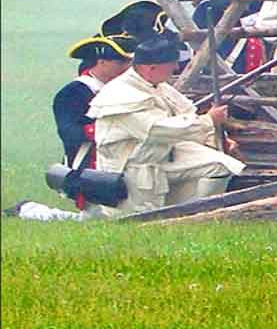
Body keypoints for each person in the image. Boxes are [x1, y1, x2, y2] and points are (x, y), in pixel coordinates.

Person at [87, 36, 244, 217]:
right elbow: (158, 129)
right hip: (132, 169)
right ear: (151, 68)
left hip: (163, 157)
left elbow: (187, 114)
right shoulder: (120, 93)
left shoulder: (158, 86)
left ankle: (195, 216)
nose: (176, 69)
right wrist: (208, 121)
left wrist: (221, 138)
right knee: (138, 221)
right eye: (171, 65)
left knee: (220, 166)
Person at [51, 33, 138, 216]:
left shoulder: (129, 88)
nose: (127, 68)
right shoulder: (73, 93)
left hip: (128, 160)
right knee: (98, 217)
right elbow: (71, 133)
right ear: (101, 62)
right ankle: (30, 211)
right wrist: (114, 128)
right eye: (120, 63)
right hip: (93, 165)